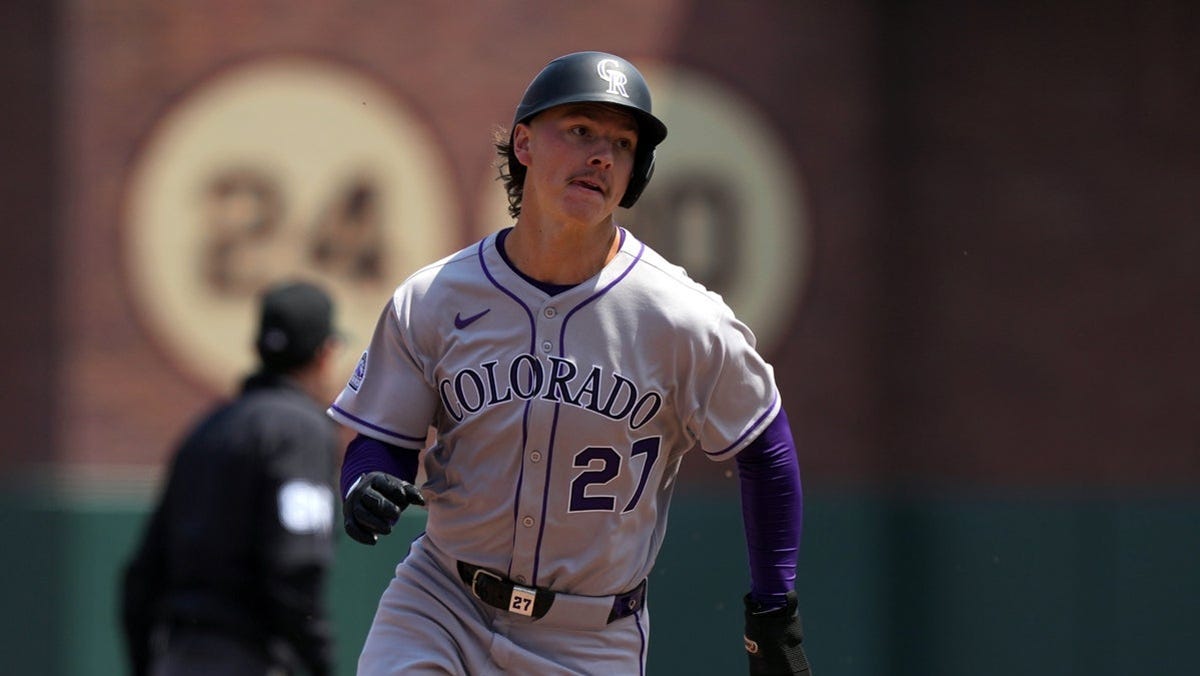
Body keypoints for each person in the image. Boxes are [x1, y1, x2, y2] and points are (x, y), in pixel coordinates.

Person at [330, 51, 811, 675]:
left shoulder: (682, 318)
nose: (602, 156)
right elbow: (381, 440)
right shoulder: (435, 297)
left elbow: (765, 448)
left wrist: (775, 608)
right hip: (441, 603)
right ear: (523, 144)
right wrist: (362, 481)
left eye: (622, 142)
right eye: (581, 130)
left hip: (590, 636)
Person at [121, 280, 343, 676]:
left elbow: (142, 576)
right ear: (324, 354)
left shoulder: (207, 430)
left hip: (178, 657)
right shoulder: (301, 430)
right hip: (253, 657)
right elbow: (295, 564)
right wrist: (319, 659)